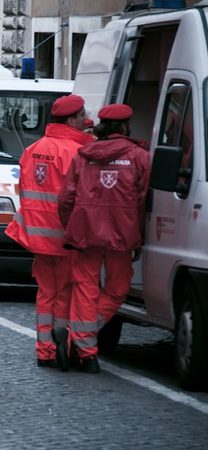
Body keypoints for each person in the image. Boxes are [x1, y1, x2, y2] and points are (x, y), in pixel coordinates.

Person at [58, 104, 151, 374]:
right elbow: (143, 200)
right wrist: (139, 236)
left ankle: (84, 348)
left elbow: (67, 198)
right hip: (122, 234)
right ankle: (82, 342)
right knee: (118, 289)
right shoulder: (139, 157)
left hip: (85, 232)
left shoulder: (83, 155)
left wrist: (71, 225)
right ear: (125, 126)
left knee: (85, 289)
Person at [5, 94, 94, 369]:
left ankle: (44, 350)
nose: (84, 119)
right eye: (81, 116)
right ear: (72, 119)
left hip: (37, 236)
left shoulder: (33, 149)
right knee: (65, 293)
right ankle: (63, 346)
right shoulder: (75, 152)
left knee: (45, 293)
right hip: (64, 236)